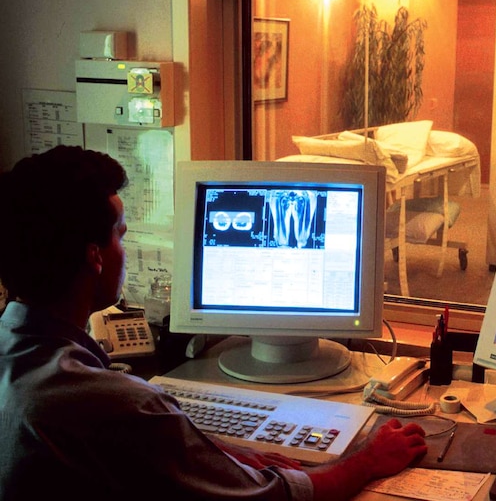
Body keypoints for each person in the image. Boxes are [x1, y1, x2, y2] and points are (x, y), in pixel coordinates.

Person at [0, 145, 427, 501]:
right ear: (95, 257)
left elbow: (160, 447)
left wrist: (221, 453)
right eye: (121, 234)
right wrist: (369, 459)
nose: (124, 249)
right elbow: (277, 499)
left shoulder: (19, 362)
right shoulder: (120, 405)